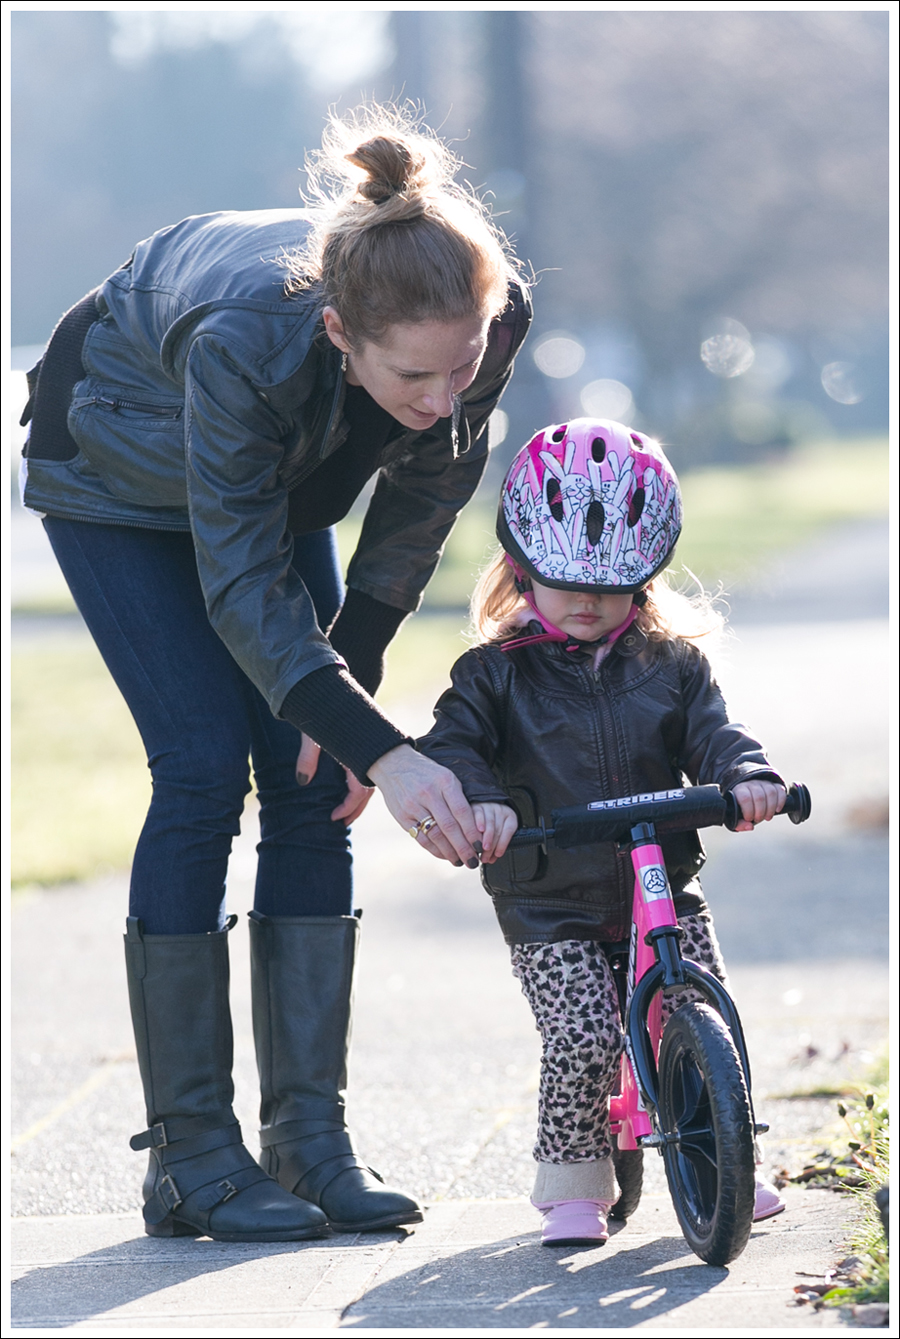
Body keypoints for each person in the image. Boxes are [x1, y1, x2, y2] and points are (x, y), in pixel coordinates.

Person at [19, 105, 532, 1243]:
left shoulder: (479, 322)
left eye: (462, 366)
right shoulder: (246, 339)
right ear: (341, 332)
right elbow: (243, 587)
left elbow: (420, 508)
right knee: (203, 764)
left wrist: (351, 701)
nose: (445, 396)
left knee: (309, 779)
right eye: (416, 374)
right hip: (115, 466)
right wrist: (391, 756)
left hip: (268, 475)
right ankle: (191, 1158)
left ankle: (309, 1142)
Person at [416, 417, 787, 1247]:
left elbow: (714, 735)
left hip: (664, 885)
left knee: (700, 1007)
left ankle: (729, 1161)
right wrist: (485, 801)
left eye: (611, 586)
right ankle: (573, 1182)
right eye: (562, 583)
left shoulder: (672, 666)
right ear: (521, 570)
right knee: (583, 1035)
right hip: (551, 902)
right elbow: (453, 746)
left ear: (646, 580)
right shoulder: (493, 675)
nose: (586, 602)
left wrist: (746, 777)